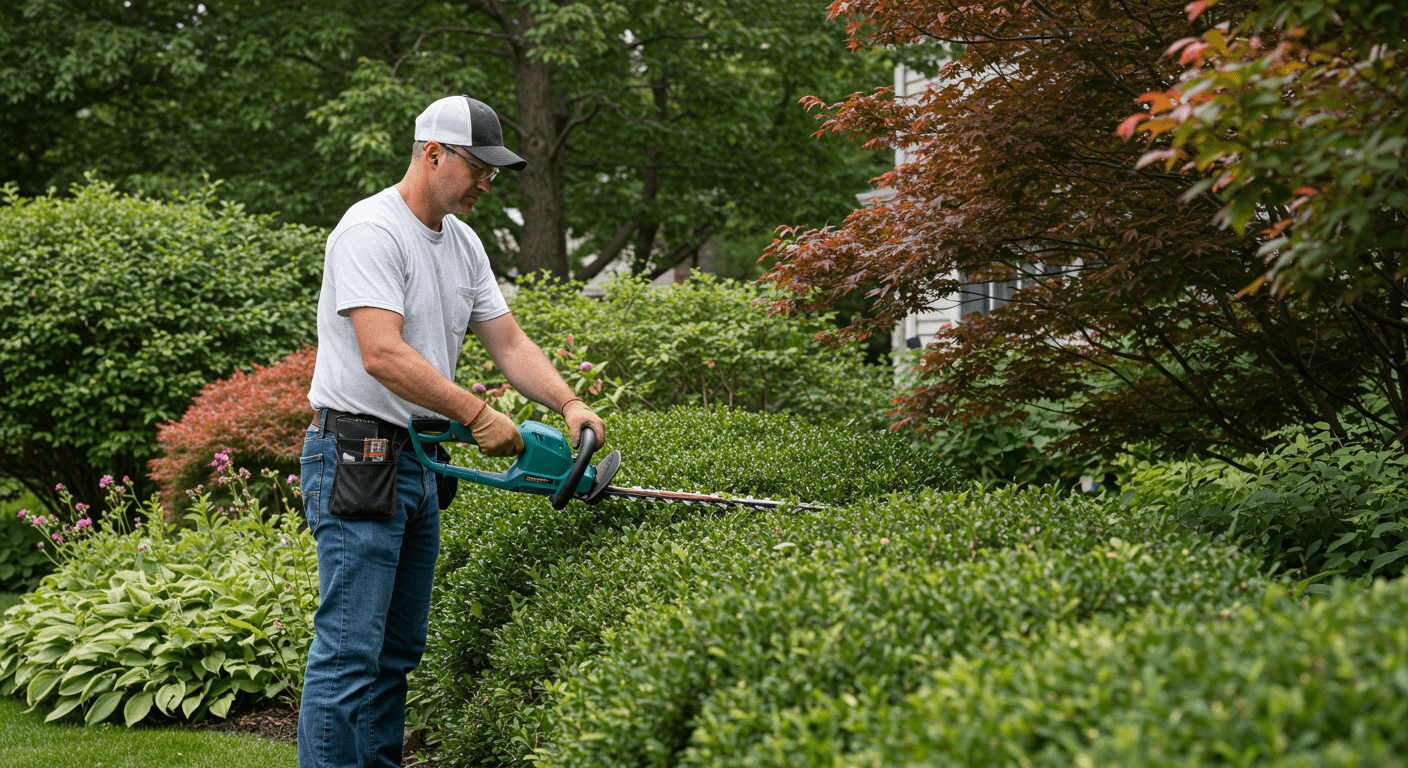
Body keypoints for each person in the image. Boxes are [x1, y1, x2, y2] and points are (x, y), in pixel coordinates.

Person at [297, 94, 605, 768]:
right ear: (433, 154)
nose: (488, 185)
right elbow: (382, 352)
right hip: (357, 453)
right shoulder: (369, 231)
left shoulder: (462, 244)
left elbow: (509, 341)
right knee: (350, 653)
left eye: (495, 173)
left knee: (395, 653)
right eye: (479, 169)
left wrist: (569, 402)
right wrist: (476, 412)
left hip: (419, 460)